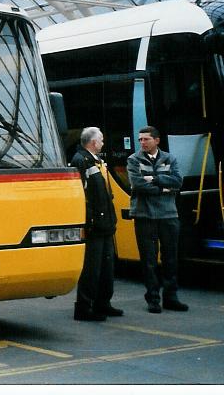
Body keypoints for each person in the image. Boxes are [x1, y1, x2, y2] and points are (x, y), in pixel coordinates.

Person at [127, 125, 188, 314]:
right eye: (140, 140)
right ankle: (153, 299)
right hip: (144, 216)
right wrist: (163, 185)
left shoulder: (169, 158)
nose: (142, 143)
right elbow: (137, 184)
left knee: (170, 259)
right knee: (149, 260)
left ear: (157, 140)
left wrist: (153, 179)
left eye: (146, 139)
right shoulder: (133, 159)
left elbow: (178, 181)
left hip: (168, 215)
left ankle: (171, 297)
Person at [71, 127, 121, 321]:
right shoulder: (81, 161)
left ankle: (103, 303)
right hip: (94, 225)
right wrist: (88, 221)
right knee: (92, 268)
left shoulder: (97, 161)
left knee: (107, 267)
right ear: (92, 142)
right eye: (100, 140)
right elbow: (82, 195)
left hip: (105, 223)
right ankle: (84, 307)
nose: (102, 143)